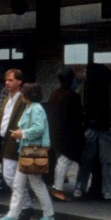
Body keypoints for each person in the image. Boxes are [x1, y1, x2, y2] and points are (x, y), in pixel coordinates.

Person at [0, 83, 56, 220]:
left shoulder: (36, 109)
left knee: (35, 184)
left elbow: (38, 128)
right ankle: (13, 214)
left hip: (32, 150)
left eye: (23, 93)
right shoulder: (31, 108)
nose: (21, 95)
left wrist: (22, 133)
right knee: (20, 184)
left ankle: (48, 214)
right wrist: (20, 133)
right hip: (28, 151)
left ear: (28, 95)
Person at [75, 63, 111, 200]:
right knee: (107, 161)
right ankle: (106, 190)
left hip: (89, 126)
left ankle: (79, 188)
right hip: (107, 126)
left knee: (86, 161)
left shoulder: (82, 88)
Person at [0, 68, 26, 195]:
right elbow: (2, 118)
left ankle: (23, 202)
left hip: (15, 138)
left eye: (11, 80)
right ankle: (20, 203)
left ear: (19, 81)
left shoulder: (23, 99)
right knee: (11, 173)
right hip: (3, 137)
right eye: (6, 80)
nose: (7, 83)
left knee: (10, 173)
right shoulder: (7, 99)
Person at [46, 67, 83, 201]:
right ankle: (58, 189)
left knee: (61, 161)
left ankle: (58, 187)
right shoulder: (73, 97)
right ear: (71, 79)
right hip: (68, 135)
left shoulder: (53, 94)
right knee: (64, 161)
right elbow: (77, 119)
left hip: (55, 132)